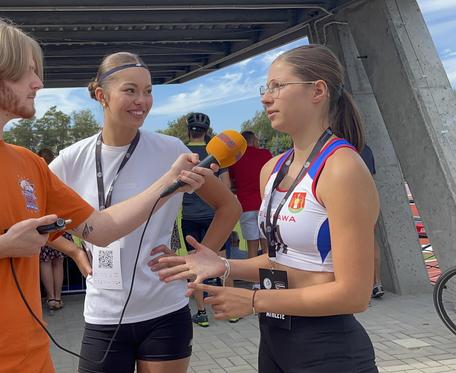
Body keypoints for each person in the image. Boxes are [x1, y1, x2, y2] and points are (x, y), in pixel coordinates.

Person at [0, 16, 213, 373]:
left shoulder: (28, 163)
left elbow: (102, 228)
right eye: (28, 72)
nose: (38, 83)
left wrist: (169, 180)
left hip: (33, 360)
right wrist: (0, 247)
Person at [155, 44, 379, 372]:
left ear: (318, 90)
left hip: (329, 347)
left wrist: (254, 300)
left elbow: (354, 294)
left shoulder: (342, 168)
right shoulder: (272, 169)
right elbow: (280, 260)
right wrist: (224, 265)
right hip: (274, 338)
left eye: (277, 86)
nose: (265, 97)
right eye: (266, 88)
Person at [49, 52, 240, 373]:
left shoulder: (171, 150)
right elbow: (32, 218)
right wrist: (74, 251)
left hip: (165, 310)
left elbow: (229, 206)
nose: (142, 101)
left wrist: (199, 260)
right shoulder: (71, 159)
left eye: (148, 91)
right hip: (103, 314)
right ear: (101, 96)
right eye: (130, 90)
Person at [180, 112, 233, 327]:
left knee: (195, 264)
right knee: (223, 262)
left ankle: (201, 312)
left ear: (189, 131)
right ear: (207, 131)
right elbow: (227, 188)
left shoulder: (182, 153)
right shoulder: (217, 154)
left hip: (190, 217)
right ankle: (229, 309)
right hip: (215, 215)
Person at [36, 148, 91, 311]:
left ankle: (51, 297)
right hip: (62, 223)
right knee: (58, 262)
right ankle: (58, 297)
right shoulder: (60, 178)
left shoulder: (37, 178)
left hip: (43, 224)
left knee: (45, 262)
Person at [228, 131, 273, 260]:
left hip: (246, 205)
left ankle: (254, 280)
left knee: (252, 247)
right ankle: (268, 278)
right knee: (266, 246)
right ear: (254, 140)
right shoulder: (265, 154)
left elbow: (231, 182)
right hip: (264, 205)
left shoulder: (235, 159)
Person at [360, 144, 385, 298]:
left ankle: (363, 285)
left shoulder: (339, 149)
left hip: (348, 200)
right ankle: (377, 282)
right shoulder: (366, 149)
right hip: (368, 200)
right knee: (371, 241)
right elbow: (372, 177)